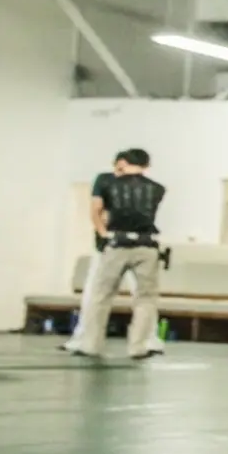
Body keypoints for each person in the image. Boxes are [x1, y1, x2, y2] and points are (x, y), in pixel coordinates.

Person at [69, 149, 167, 361]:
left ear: (123, 164)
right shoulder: (158, 188)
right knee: (146, 299)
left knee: (101, 295)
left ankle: (91, 345)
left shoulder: (109, 184)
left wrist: (103, 234)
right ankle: (138, 347)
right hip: (147, 245)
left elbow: (97, 211)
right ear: (146, 166)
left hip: (117, 242)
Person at [63, 157, 127, 353]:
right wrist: (104, 235)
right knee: (92, 292)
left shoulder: (137, 187)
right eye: (120, 168)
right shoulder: (105, 180)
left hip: (132, 247)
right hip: (106, 246)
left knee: (142, 294)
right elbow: (96, 211)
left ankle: (150, 341)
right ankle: (81, 336)